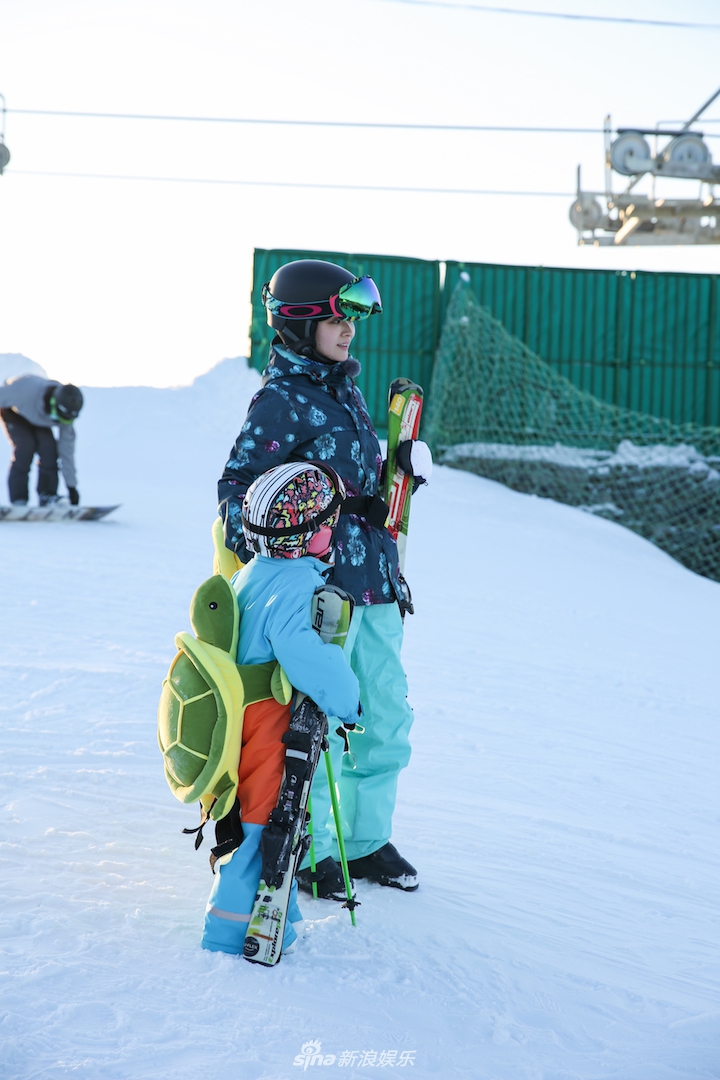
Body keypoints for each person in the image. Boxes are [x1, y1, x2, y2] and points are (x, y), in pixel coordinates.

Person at [218, 259, 432, 899]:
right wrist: (275, 535)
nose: (350, 329)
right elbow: (235, 496)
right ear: (301, 320)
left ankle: (364, 843)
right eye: (340, 316)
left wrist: (399, 472)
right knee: (323, 725)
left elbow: (359, 489)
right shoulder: (280, 401)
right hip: (322, 590)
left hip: (377, 585)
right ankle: (309, 850)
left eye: (355, 317)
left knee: (385, 716)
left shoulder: (346, 391)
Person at [202, 461, 361, 955]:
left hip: (241, 717)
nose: (332, 531)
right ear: (302, 534)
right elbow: (304, 654)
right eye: (326, 524)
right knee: (265, 821)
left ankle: (278, 913)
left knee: (276, 820)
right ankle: (228, 931)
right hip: (268, 720)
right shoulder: (294, 584)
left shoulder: (255, 570)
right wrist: (347, 699)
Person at [0, 374, 83, 506]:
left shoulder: (65, 415)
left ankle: (48, 495)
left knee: (49, 450)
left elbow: (66, 453)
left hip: (40, 419)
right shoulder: (23, 390)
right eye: (58, 418)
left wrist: (71, 487)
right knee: (25, 447)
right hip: (14, 412)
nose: (59, 423)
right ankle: (18, 499)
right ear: (52, 405)